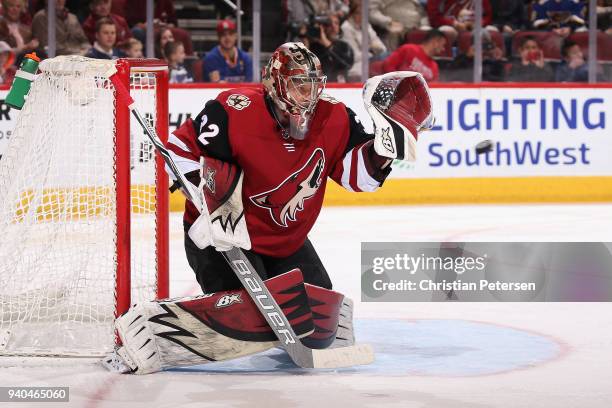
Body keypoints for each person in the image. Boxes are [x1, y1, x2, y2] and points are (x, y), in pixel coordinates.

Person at [108, 42, 434, 375]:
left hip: (285, 242)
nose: (308, 92)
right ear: (276, 83)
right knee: (252, 317)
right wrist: (204, 193)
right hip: (222, 239)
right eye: (298, 82)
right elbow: (178, 149)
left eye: (313, 82)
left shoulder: (334, 116)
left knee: (318, 318)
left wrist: (385, 146)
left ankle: (256, 318)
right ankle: (150, 328)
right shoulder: (232, 110)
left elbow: (358, 178)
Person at [342, 0, 387, 82]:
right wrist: (371, 50)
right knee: (384, 59)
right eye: (358, 13)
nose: (361, 16)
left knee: (388, 56)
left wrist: (372, 49)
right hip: (357, 66)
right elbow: (355, 56)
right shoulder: (346, 28)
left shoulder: (366, 25)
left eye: (363, 13)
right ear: (351, 13)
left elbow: (382, 47)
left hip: (371, 59)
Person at [382, 29, 446, 82]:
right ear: (435, 42)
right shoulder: (408, 49)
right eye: (443, 45)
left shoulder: (434, 66)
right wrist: (396, 83)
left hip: (417, 95)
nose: (443, 49)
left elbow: (433, 87)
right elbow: (388, 66)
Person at [308, 13, 354, 82]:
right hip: (321, 86)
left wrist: (328, 45)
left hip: (341, 87)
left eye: (336, 23)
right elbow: (309, 73)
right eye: (329, 24)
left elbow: (347, 64)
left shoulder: (344, 46)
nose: (333, 27)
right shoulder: (313, 48)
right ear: (322, 27)